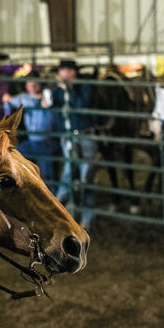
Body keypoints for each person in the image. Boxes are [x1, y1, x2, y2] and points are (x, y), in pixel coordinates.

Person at [50, 59, 97, 230]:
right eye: (63, 71)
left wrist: (69, 90)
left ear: (75, 73)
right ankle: (62, 209)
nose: (66, 74)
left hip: (85, 136)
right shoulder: (57, 92)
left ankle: (85, 218)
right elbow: (51, 108)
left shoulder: (84, 88)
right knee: (70, 172)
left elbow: (81, 106)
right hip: (67, 138)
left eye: (70, 71)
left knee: (85, 177)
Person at [3, 74, 56, 183]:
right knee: (13, 155)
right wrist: (6, 99)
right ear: (26, 86)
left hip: (47, 142)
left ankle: (50, 195)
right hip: (32, 142)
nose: (32, 85)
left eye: (35, 83)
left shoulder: (49, 97)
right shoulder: (24, 97)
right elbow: (8, 98)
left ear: (40, 84)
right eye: (29, 83)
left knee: (47, 174)